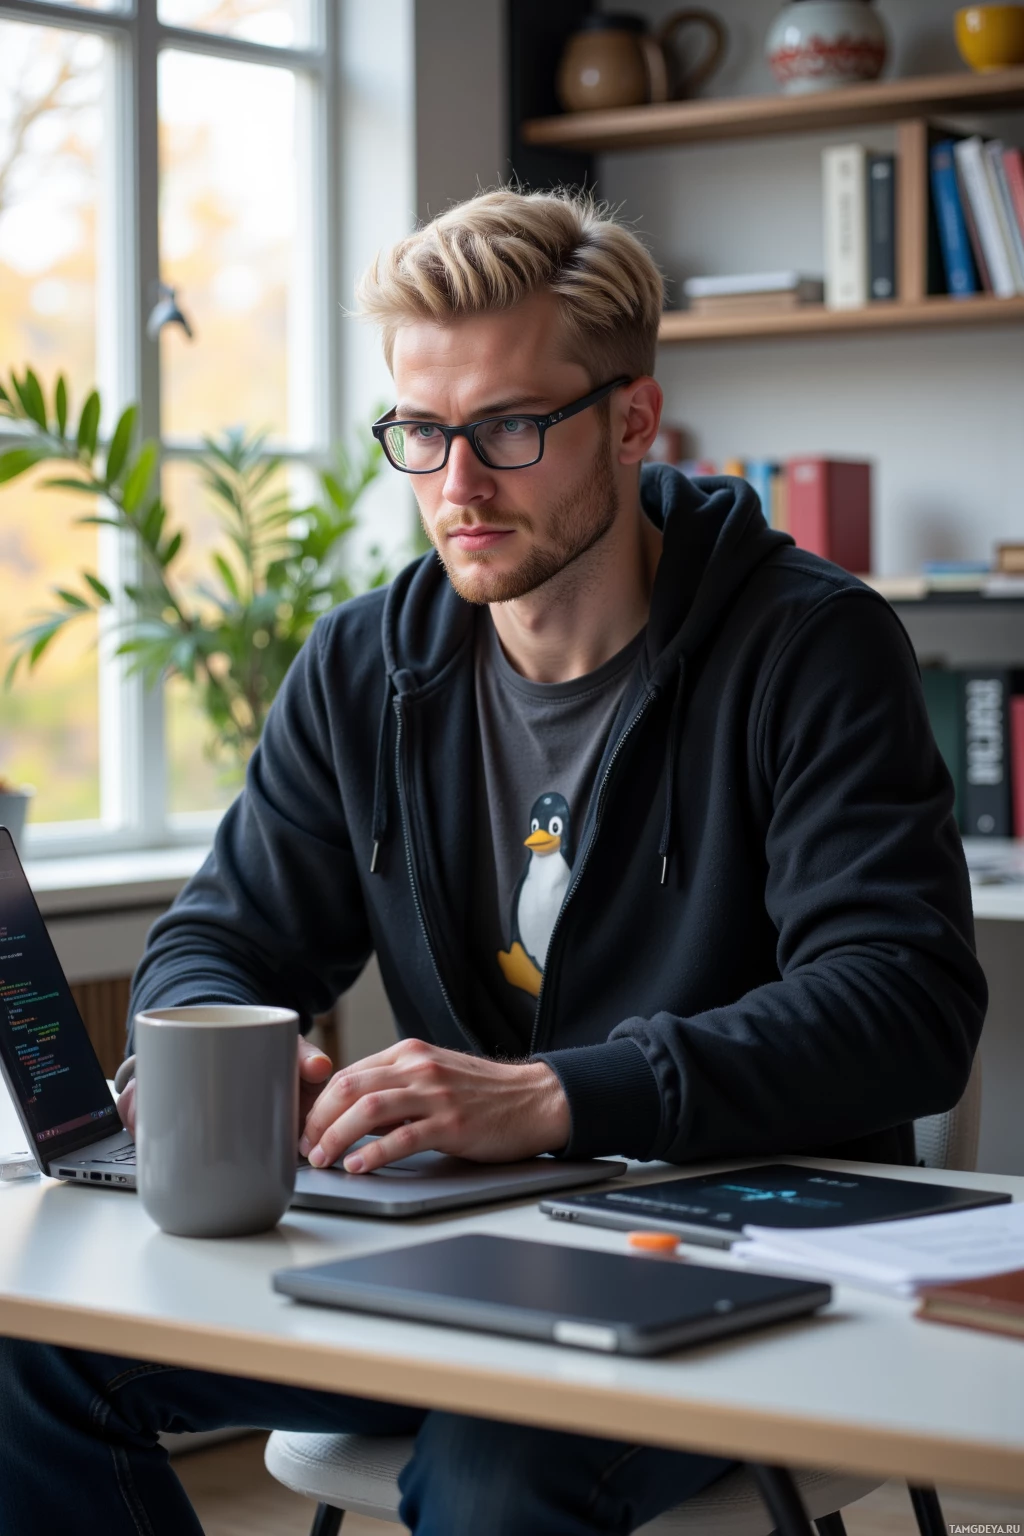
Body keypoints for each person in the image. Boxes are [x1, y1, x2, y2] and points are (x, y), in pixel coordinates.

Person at [0, 189, 986, 1536]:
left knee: (492, 1469)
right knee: (31, 1351)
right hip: (468, 1248)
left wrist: (552, 1097)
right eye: (422, 433)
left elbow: (905, 1008)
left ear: (634, 419)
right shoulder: (363, 664)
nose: (456, 487)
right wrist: (232, 1046)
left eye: (511, 429)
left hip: (736, 1247)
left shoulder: (811, 648)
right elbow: (221, 933)